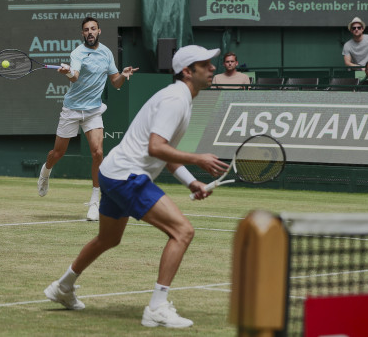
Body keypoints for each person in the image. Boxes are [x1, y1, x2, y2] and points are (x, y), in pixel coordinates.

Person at [44, 45, 229, 328]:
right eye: (206, 64)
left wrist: (191, 181)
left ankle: (63, 287)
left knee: (108, 239)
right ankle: (157, 307)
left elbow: (167, 157)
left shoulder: (182, 99)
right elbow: (157, 147)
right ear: (188, 72)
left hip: (112, 172)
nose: (213, 68)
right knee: (182, 231)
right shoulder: (175, 100)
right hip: (127, 176)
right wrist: (197, 158)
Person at [38, 17, 138, 221]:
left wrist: (124, 75)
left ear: (99, 31)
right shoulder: (77, 53)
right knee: (57, 153)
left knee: (98, 152)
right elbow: (74, 76)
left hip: (93, 111)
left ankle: (94, 202)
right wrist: (67, 73)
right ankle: (45, 173)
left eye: (93, 29)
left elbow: (115, 82)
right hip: (72, 110)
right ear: (82, 34)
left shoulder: (107, 53)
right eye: (86, 30)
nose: (90, 32)